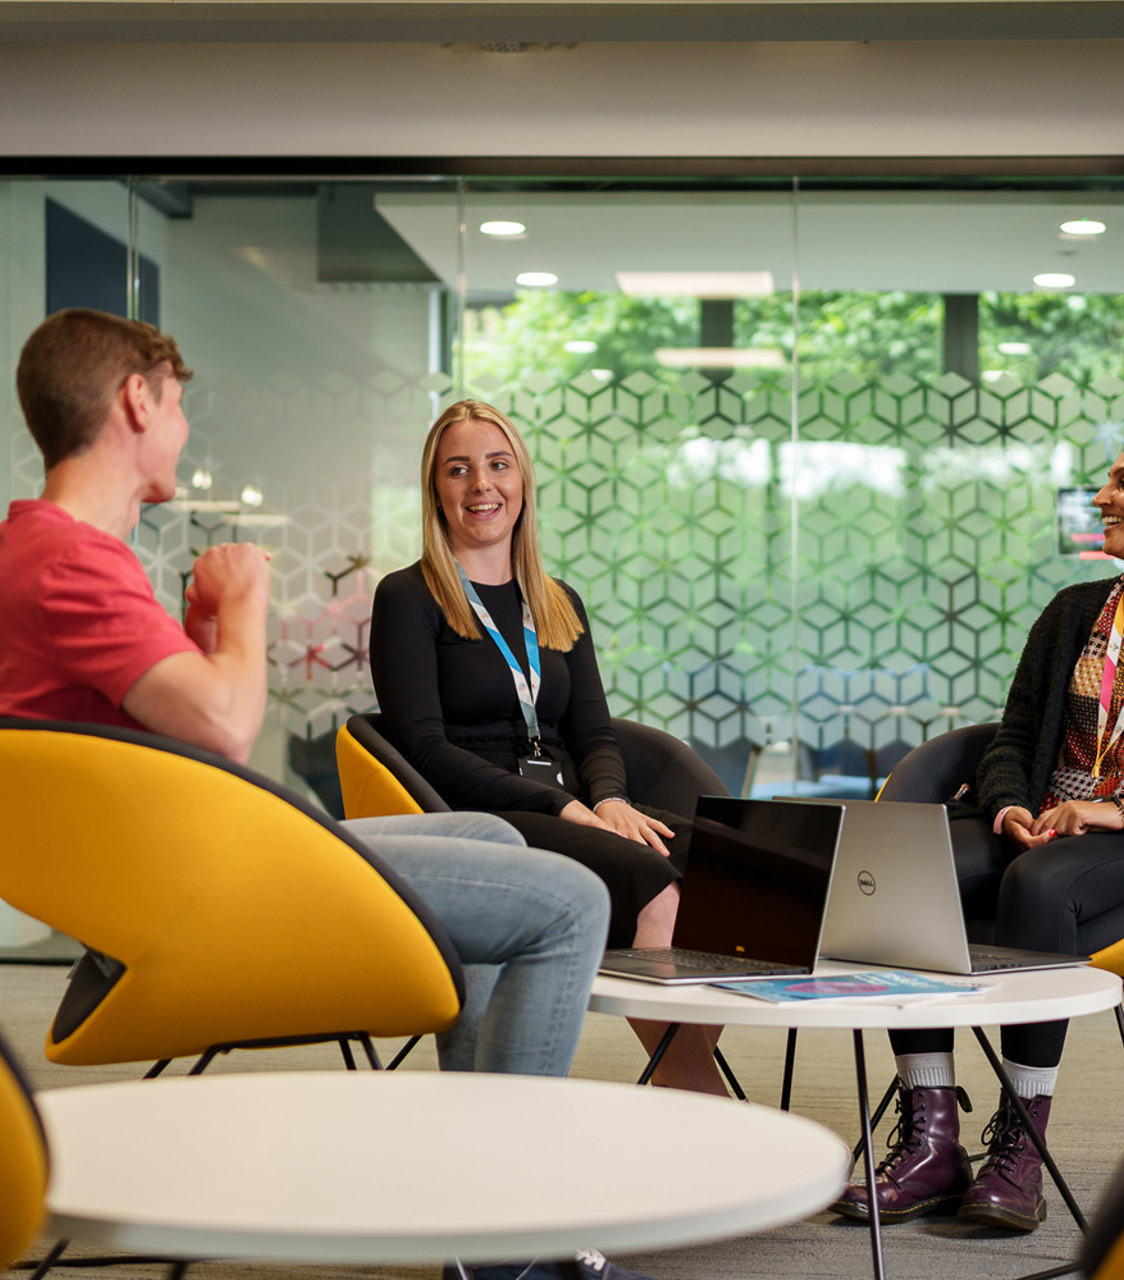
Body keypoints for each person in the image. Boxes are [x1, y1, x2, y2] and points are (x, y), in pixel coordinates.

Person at [0, 309, 645, 1280]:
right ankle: (515, 1220)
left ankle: (477, 1215)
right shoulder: (74, 560)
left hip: (200, 854)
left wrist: (205, 619)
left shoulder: (42, 549)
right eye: (177, 404)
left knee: (499, 846)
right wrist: (247, 601)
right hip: (205, 885)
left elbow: (161, 727)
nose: (182, 425)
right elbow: (221, 721)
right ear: (136, 400)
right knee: (572, 897)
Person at [831, 429, 1124, 1234]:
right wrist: (1008, 806)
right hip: (1043, 819)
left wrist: (1121, 808)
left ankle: (1021, 1144)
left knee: (1037, 884)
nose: (1102, 495)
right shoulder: (1074, 611)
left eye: (1123, 481)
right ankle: (933, 1140)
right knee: (907, 866)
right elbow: (1016, 733)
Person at [369, 399, 725, 1095]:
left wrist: (613, 798)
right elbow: (423, 748)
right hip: (476, 814)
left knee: (717, 865)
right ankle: (696, 1091)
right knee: (652, 881)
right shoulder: (407, 597)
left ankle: (684, 1080)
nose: (481, 486)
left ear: (524, 480)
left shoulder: (557, 600)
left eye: (498, 465)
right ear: (434, 490)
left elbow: (593, 730)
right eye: (458, 470)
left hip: (567, 802)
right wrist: (565, 810)